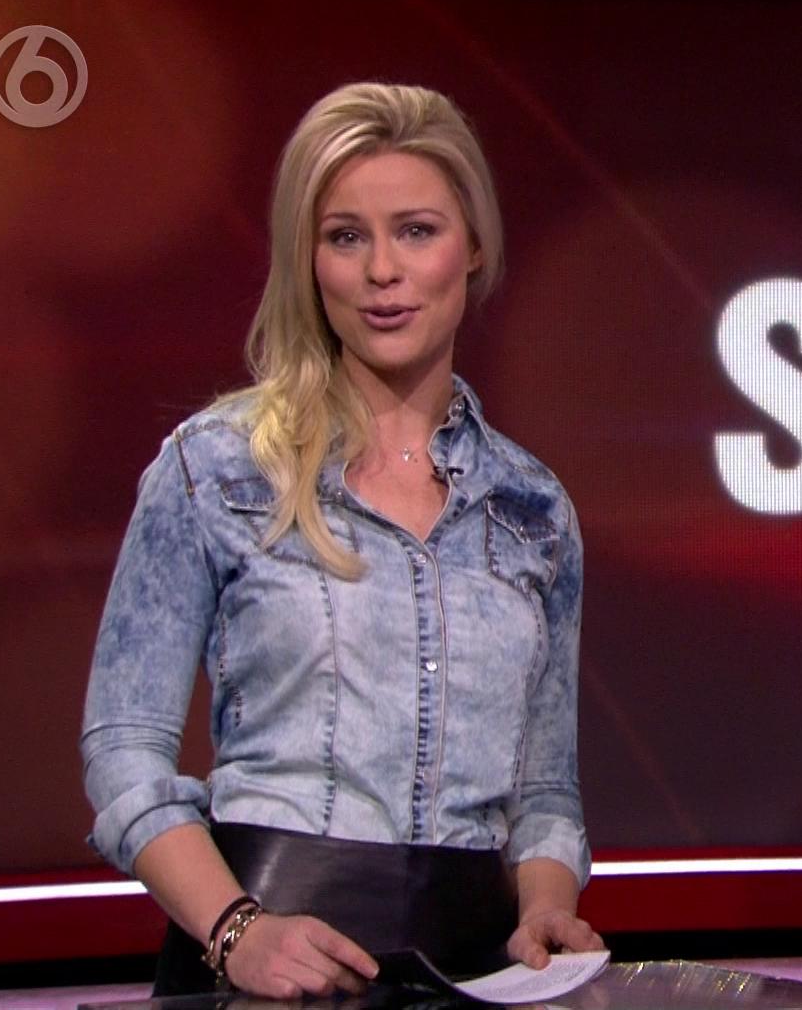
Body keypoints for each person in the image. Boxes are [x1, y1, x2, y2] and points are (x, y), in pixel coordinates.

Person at [81, 81, 602, 1000]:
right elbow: (123, 754)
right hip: (262, 967)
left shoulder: (532, 508)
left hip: (476, 971)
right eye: (346, 236)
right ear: (309, 259)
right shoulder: (216, 469)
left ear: (473, 248)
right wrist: (237, 931)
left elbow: (545, 795)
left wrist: (545, 908)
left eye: (416, 231)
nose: (382, 272)